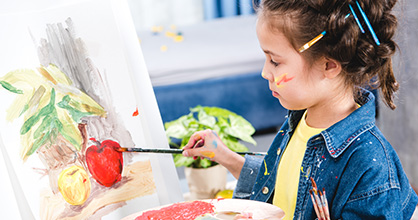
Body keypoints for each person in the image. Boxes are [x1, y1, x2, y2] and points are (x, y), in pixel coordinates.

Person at [182, 0, 418, 219]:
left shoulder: (369, 166)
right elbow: (283, 180)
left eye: (275, 61)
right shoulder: (300, 122)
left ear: (328, 65)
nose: (265, 72)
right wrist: (226, 157)